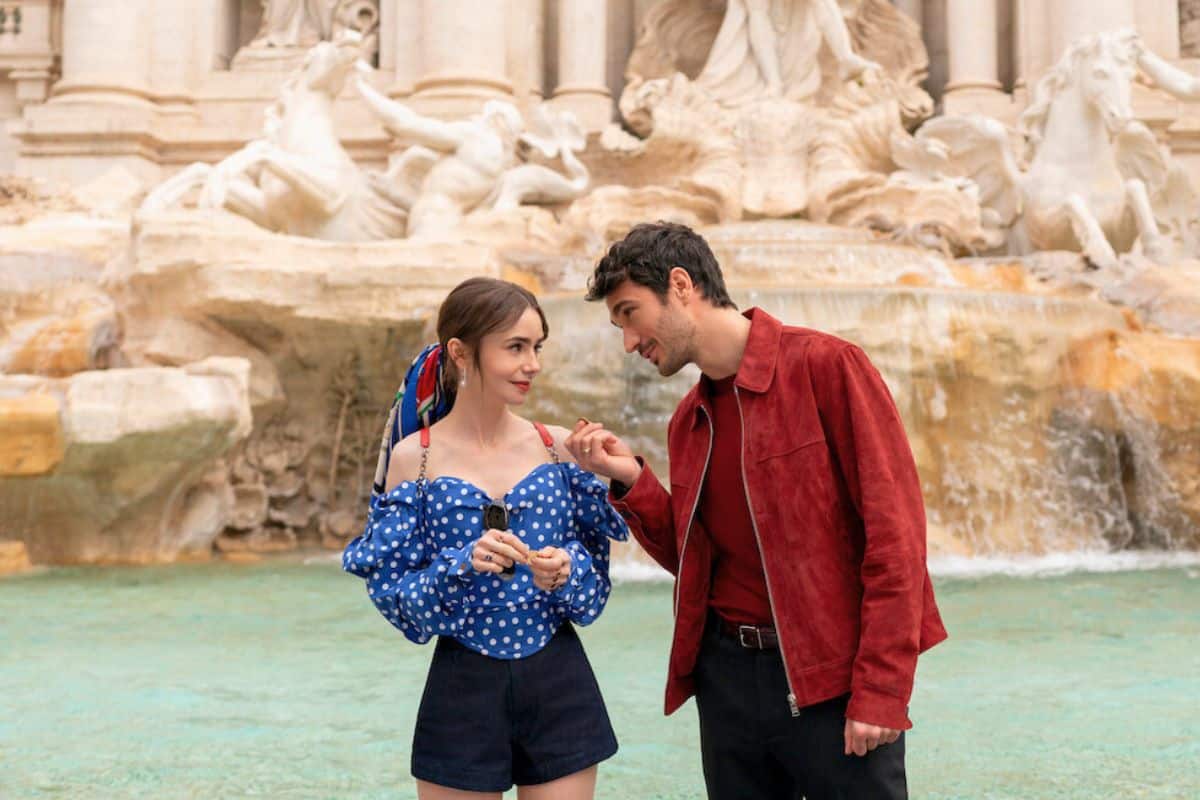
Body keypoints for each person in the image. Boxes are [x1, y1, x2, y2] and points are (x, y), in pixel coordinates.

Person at [564, 222, 947, 799]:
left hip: (834, 681)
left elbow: (895, 540)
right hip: (729, 687)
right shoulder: (688, 421)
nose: (629, 342)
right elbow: (696, 561)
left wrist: (884, 688)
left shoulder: (829, 367)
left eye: (630, 313)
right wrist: (633, 481)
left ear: (681, 285)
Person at [343, 277, 628, 799]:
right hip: (461, 691)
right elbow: (400, 604)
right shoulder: (414, 458)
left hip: (560, 683)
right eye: (515, 347)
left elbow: (593, 599)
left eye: (536, 347)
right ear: (461, 352)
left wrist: (566, 569)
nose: (532, 364)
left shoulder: (560, 448)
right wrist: (462, 563)